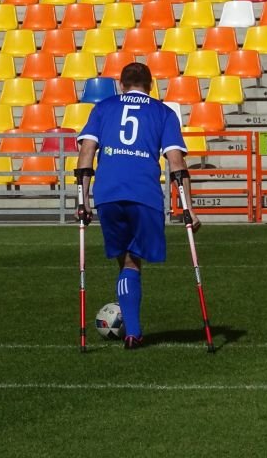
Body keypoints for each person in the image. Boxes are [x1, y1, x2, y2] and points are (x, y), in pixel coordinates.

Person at [75, 62, 195, 350]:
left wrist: (82, 201)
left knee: (125, 260)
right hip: (144, 192)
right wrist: (189, 209)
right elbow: (176, 164)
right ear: (151, 85)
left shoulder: (103, 108)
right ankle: (133, 332)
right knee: (134, 260)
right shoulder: (163, 112)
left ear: (120, 84)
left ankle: (133, 330)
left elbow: (86, 152)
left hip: (108, 192)